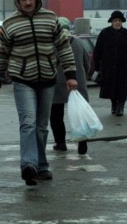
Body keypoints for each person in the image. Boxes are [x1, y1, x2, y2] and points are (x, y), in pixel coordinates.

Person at [0, 0, 78, 186]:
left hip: (47, 79)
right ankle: (28, 165)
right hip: (23, 80)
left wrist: (71, 75)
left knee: (41, 126)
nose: (28, 2)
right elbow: (2, 54)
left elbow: (63, 46)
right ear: (17, 1)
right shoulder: (10, 24)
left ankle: (42, 165)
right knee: (28, 123)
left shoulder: (50, 18)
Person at [50, 17, 91, 155]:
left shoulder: (52, 44)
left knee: (56, 115)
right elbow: (87, 63)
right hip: (77, 82)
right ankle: (82, 144)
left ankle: (60, 143)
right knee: (80, 114)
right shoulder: (79, 43)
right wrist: (83, 75)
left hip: (57, 83)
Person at [93, 10, 127, 117]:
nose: (117, 22)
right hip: (108, 67)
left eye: (119, 20)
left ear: (122, 22)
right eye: (115, 20)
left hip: (122, 67)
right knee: (111, 88)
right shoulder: (104, 33)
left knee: (122, 88)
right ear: (111, 22)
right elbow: (97, 51)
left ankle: (121, 107)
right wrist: (97, 66)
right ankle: (114, 104)